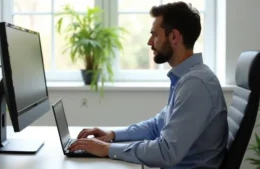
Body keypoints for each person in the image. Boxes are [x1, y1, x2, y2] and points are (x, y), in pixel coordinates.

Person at [68, 1, 228, 169]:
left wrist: (108, 149)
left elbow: (166, 152)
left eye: (155, 35)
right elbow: (156, 126)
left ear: (174, 36)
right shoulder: (187, 78)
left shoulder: (195, 84)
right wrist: (112, 135)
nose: (150, 42)